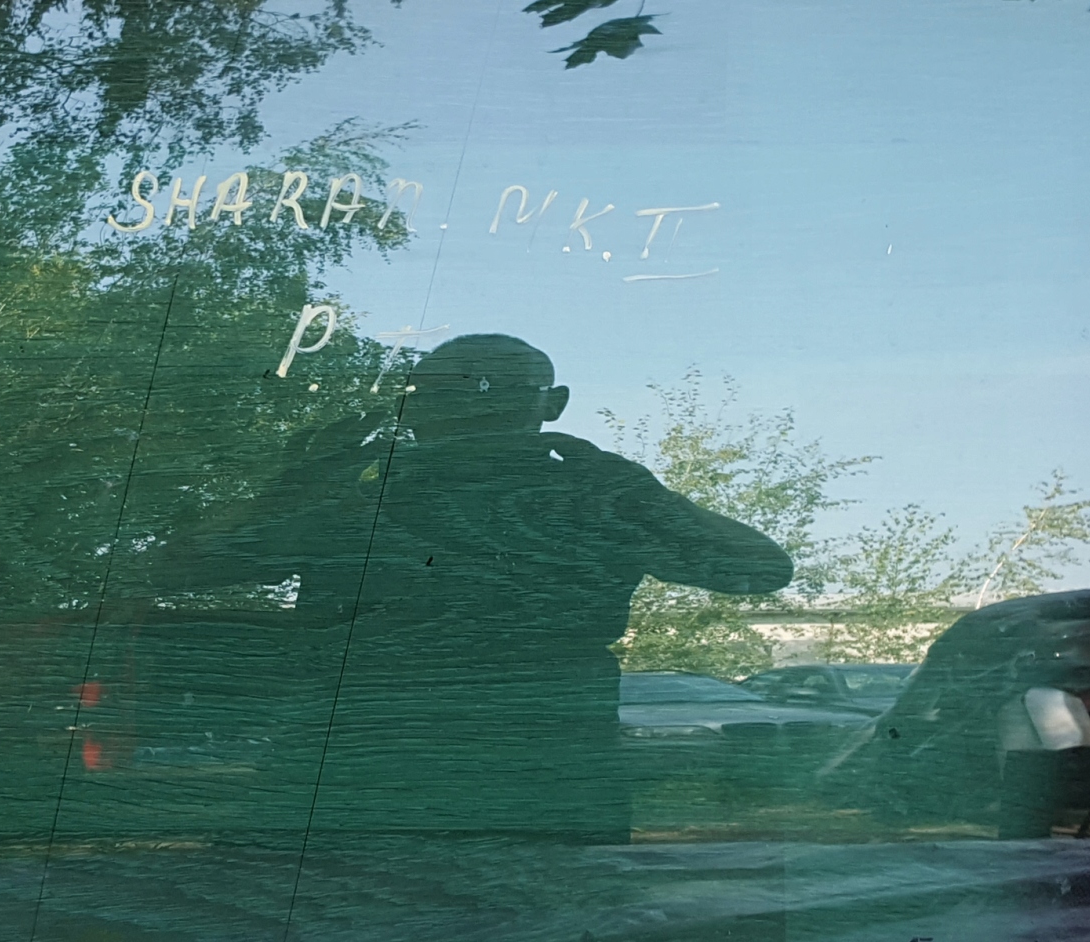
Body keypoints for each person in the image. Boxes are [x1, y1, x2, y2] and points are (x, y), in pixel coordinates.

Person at [167, 334, 792, 840]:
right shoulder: (354, 502)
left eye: (492, 396)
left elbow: (762, 570)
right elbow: (177, 570)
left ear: (554, 405)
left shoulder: (594, 501)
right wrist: (294, 490)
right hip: (390, 785)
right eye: (443, 397)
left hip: (489, 788)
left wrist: (636, 494)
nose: (466, 414)